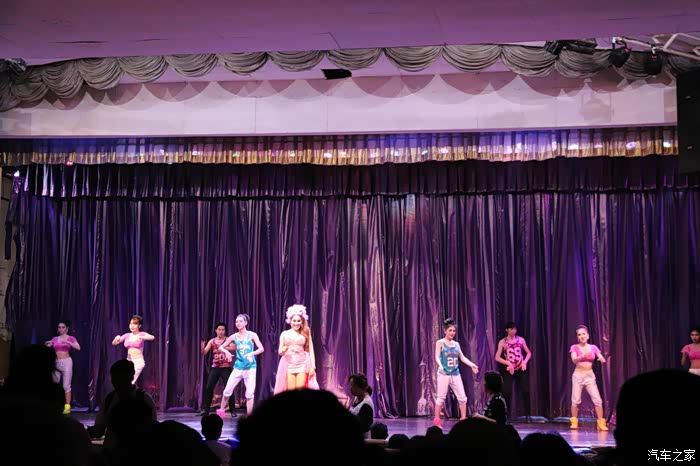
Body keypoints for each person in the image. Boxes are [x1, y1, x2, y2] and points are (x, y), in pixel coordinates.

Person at [88, 359, 158, 451]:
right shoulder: (145, 398)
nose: (116, 381)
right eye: (115, 378)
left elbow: (98, 430)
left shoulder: (110, 399)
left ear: (131, 377)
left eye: (120, 378)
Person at [433, 317, 479, 428]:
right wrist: (440, 365)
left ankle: (463, 420)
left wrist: (472, 364)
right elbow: (437, 356)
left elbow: (462, 357)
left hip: (455, 373)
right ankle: (437, 422)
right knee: (441, 398)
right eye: (450, 330)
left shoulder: (456, 344)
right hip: (444, 374)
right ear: (445, 331)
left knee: (462, 398)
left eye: (454, 330)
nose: (452, 333)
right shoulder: (440, 342)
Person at [217, 314, 264, 417]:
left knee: (250, 394)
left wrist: (251, 353)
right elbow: (220, 347)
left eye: (240, 321)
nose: (238, 323)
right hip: (238, 367)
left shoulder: (252, 335)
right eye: (236, 321)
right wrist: (226, 352)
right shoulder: (233, 337)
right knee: (227, 390)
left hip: (250, 368)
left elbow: (261, 348)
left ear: (245, 323)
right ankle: (221, 410)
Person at [569, 325, 608, 431]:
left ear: (587, 335)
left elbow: (600, 356)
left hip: (589, 376)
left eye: (583, 334)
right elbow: (574, 360)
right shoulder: (574, 347)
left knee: (597, 400)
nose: (582, 336)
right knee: (576, 400)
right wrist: (582, 356)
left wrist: (601, 358)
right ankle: (574, 422)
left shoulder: (593, 347)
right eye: (579, 335)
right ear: (577, 337)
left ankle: (601, 422)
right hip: (578, 376)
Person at [273, 304, 319, 392]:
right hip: (289, 364)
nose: (296, 323)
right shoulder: (284, 334)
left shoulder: (306, 332)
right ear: (290, 321)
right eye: (294, 321)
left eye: (298, 321)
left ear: (302, 322)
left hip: (302, 364)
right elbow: (280, 352)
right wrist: (283, 350)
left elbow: (311, 350)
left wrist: (313, 367)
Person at [494, 321, 532, 420]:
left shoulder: (520, 340)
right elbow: (497, 357)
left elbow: (528, 353)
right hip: (509, 369)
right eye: (511, 329)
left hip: (520, 368)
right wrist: (508, 363)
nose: (513, 331)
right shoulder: (503, 342)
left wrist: (524, 362)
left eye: (515, 329)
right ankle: (506, 414)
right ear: (507, 330)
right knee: (507, 391)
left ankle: (528, 414)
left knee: (525, 390)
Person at [198, 322, 236, 416]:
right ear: (216, 331)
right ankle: (206, 410)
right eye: (219, 330)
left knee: (229, 387)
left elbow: (234, 347)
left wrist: (224, 347)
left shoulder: (227, 340)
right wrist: (202, 348)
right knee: (209, 387)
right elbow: (204, 353)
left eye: (223, 330)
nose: (221, 331)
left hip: (226, 368)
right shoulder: (212, 341)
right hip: (215, 367)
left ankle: (233, 411)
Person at [45, 319, 81, 414]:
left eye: (63, 327)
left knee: (66, 386)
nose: (61, 329)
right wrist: (48, 344)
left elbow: (78, 347)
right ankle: (55, 404)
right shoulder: (55, 338)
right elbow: (49, 345)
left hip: (67, 362)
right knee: (55, 384)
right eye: (59, 327)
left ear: (67, 329)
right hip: (56, 362)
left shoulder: (70, 338)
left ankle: (67, 406)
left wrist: (69, 343)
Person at [112, 315, 155, 385]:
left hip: (138, 362)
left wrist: (143, 337)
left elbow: (152, 337)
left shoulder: (141, 334)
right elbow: (114, 343)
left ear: (139, 326)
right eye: (131, 324)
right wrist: (116, 339)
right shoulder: (127, 335)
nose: (132, 326)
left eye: (134, 324)